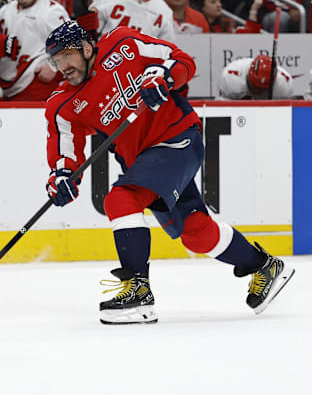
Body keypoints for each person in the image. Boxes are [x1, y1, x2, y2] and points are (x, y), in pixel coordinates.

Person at [43, 21, 294, 324]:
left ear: (85, 47)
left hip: (177, 138)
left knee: (120, 199)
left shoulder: (123, 43)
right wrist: (62, 177)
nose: (63, 67)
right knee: (195, 231)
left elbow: (181, 61)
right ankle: (263, 266)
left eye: (66, 56)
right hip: (145, 161)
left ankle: (138, 293)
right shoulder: (63, 103)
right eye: (56, 61)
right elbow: (65, 148)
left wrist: (163, 77)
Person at [0, 0, 68, 101]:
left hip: (39, 84)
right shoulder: (4, 12)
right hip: (9, 87)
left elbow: (72, 44)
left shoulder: (52, 11)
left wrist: (53, 65)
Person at [85, 0, 176, 42]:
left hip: (141, 69)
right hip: (103, 61)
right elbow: (88, 36)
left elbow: (166, 50)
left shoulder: (164, 9)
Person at [218, 55, 294, 100]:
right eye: (254, 86)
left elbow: (286, 113)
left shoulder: (284, 85)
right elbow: (222, 110)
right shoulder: (231, 78)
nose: (257, 92)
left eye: (262, 89)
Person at [195, 0, 262, 33]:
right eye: (213, 2)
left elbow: (249, 36)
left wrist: (254, 10)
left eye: (220, 1)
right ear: (202, 6)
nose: (219, 5)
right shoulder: (194, 25)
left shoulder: (227, 24)